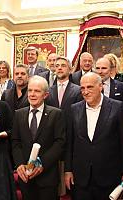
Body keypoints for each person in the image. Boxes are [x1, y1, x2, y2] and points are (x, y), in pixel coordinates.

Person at [64, 72, 123, 200]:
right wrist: (67, 170)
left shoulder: (117, 107)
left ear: (101, 86)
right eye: (82, 88)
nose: (85, 91)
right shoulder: (74, 109)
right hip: (81, 178)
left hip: (109, 176)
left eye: (89, 87)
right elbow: (70, 143)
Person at [11, 75, 66, 200]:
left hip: (47, 177)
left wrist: (42, 164)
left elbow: (60, 143)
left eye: (37, 91)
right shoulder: (19, 114)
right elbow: (15, 142)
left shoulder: (56, 114)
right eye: (30, 90)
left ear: (45, 95)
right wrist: (19, 164)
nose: (32, 94)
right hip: (26, 176)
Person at [45, 56, 82, 196]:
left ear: (71, 69)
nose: (59, 68)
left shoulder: (78, 90)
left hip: (72, 138)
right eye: (57, 65)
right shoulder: (49, 90)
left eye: (63, 65)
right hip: (52, 140)